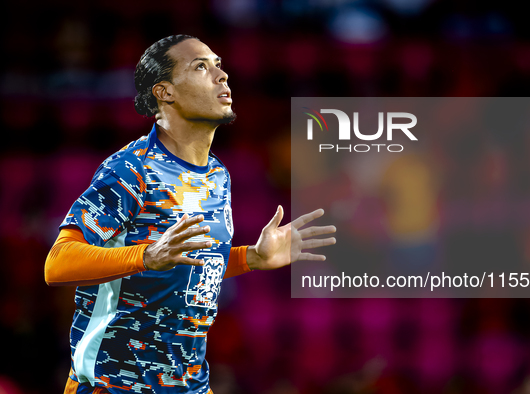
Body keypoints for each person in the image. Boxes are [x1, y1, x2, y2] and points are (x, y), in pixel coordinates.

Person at [45, 34, 336, 394]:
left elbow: (187, 265)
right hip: (115, 384)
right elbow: (57, 263)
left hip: (189, 385)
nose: (222, 75)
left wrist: (251, 258)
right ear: (165, 93)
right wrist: (146, 257)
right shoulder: (130, 169)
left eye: (219, 64)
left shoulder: (217, 175)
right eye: (201, 67)